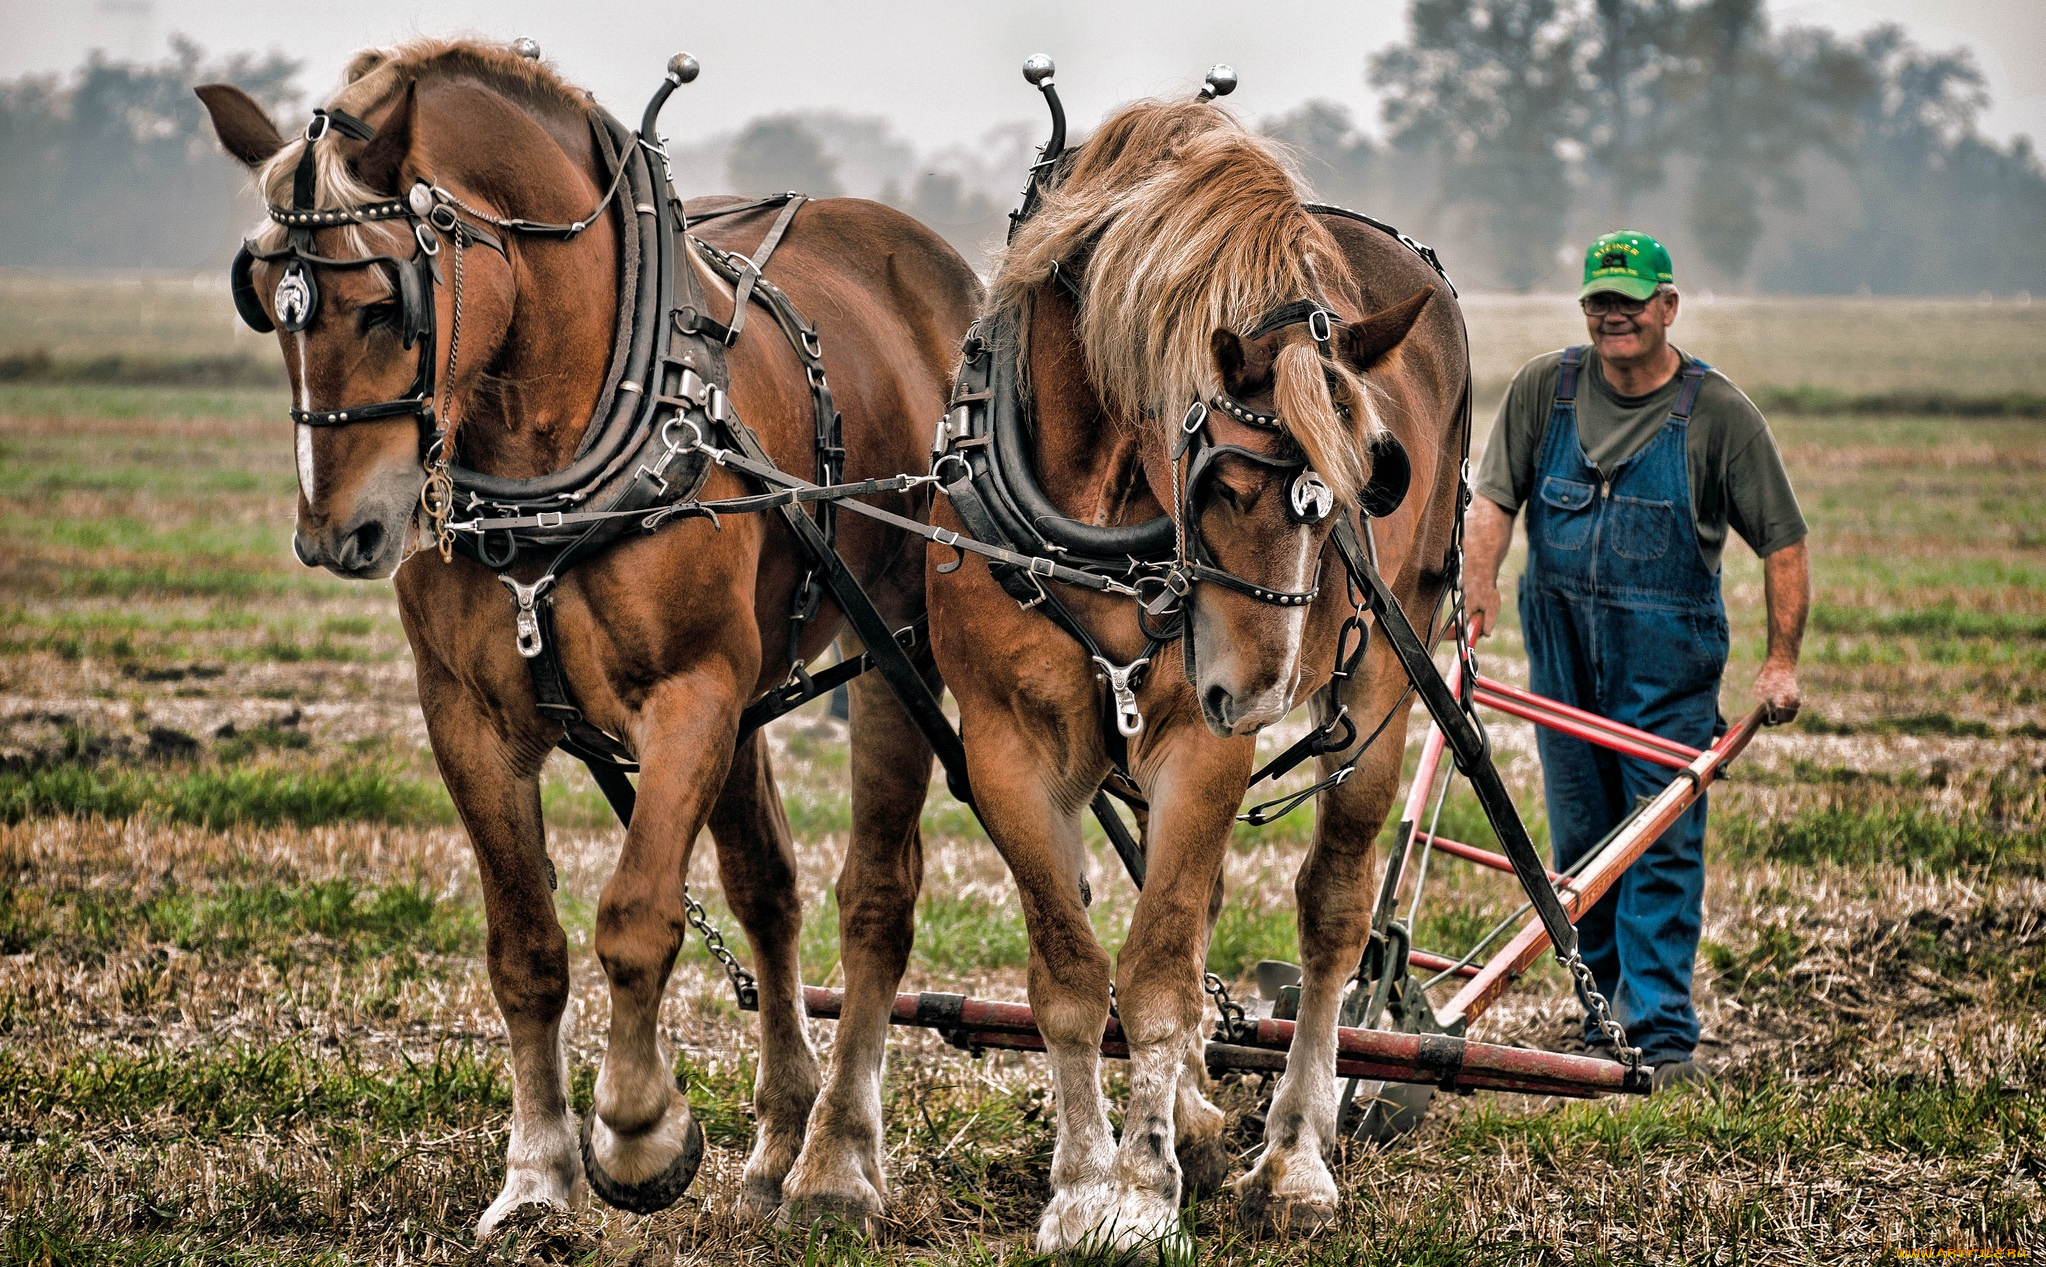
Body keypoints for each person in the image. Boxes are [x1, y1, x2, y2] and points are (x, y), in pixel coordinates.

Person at [1463, 230, 1811, 1090]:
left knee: (1657, 841)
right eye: (1598, 301)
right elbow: (1494, 499)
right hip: (1562, 650)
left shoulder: (1718, 415)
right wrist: (1477, 593)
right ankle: (1600, 1020)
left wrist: (1780, 662)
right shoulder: (1547, 390)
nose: (1612, 315)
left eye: (1629, 300)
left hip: (1665, 662)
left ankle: (1658, 1033)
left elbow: (1784, 542)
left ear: (1667, 306)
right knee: (1584, 844)